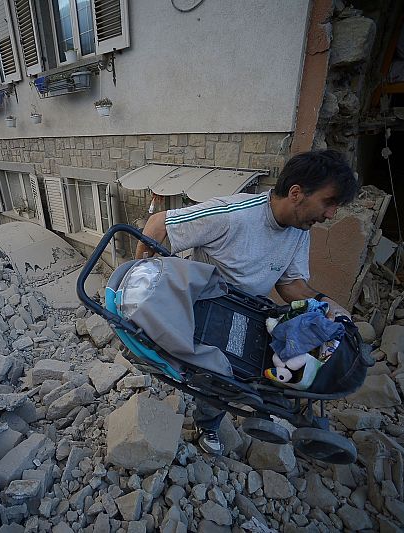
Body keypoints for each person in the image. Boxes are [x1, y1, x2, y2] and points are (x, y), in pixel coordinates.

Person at [135, 149, 358, 455]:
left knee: (266, 363)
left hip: (251, 312)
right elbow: (158, 225)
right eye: (328, 202)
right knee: (218, 377)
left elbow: (290, 284)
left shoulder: (299, 231)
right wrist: (145, 287)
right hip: (208, 312)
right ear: (296, 193)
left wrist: (328, 305)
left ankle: (265, 410)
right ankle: (208, 424)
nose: (331, 213)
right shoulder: (234, 214)